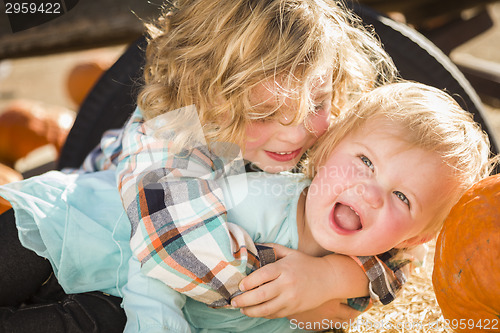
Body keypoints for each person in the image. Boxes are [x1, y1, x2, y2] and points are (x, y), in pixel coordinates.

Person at [0, 0, 399, 330]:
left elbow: (401, 236)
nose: (295, 134)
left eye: (316, 103)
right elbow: (176, 246)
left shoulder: (337, 143)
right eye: (262, 113)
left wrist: (341, 276)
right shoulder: (174, 128)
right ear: (204, 92)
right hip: (72, 235)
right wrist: (297, 289)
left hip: (122, 302)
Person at [0, 81, 494, 332]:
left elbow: (388, 282)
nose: (370, 191)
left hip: (104, 305)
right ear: (324, 153)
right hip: (67, 229)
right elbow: (158, 257)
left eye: (402, 198)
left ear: (415, 238)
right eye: (364, 161)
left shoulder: (357, 286)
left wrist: (334, 279)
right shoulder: (259, 202)